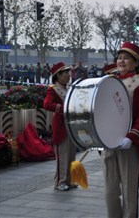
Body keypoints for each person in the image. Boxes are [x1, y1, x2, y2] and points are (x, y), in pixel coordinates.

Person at [101, 42, 139, 218]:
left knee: (130, 190)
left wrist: (132, 137)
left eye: (126, 58)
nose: (121, 61)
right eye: (119, 57)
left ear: (136, 62)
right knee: (110, 189)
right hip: (109, 143)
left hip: (129, 144)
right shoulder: (109, 81)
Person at [43, 62, 76, 191]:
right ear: (58, 75)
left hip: (70, 126)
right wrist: (63, 109)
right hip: (61, 125)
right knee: (62, 155)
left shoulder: (68, 88)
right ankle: (60, 182)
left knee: (71, 155)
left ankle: (69, 180)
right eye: (66, 73)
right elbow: (47, 104)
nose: (69, 75)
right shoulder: (53, 89)